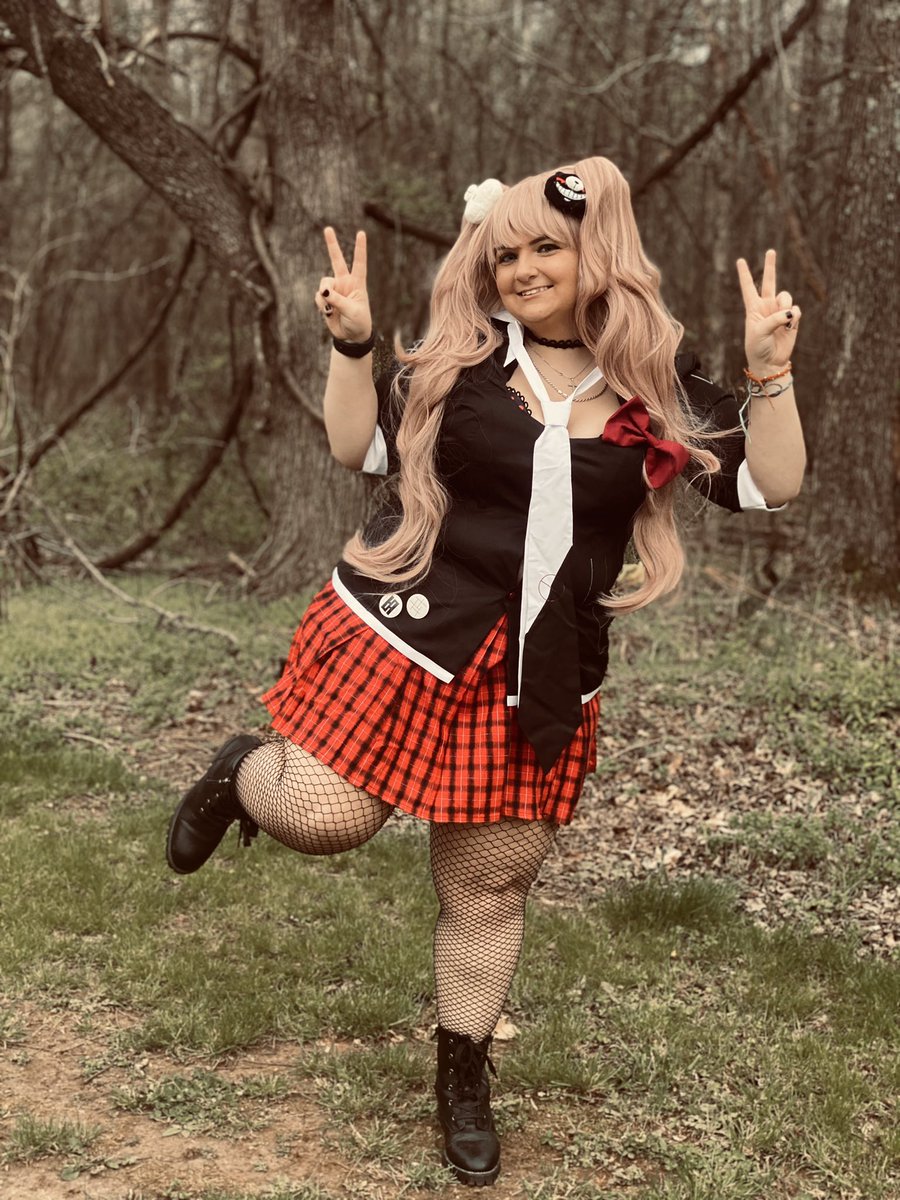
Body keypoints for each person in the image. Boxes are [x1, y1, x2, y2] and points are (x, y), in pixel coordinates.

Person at [166, 156, 805, 1188]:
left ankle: (462, 1077)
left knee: (488, 886)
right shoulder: (462, 362)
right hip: (407, 639)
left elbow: (768, 484)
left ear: (599, 252)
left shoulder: (661, 383)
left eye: (547, 246)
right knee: (326, 817)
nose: (522, 269)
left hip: (543, 671)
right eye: (506, 253)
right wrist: (353, 344)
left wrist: (770, 375)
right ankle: (242, 771)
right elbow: (357, 449)